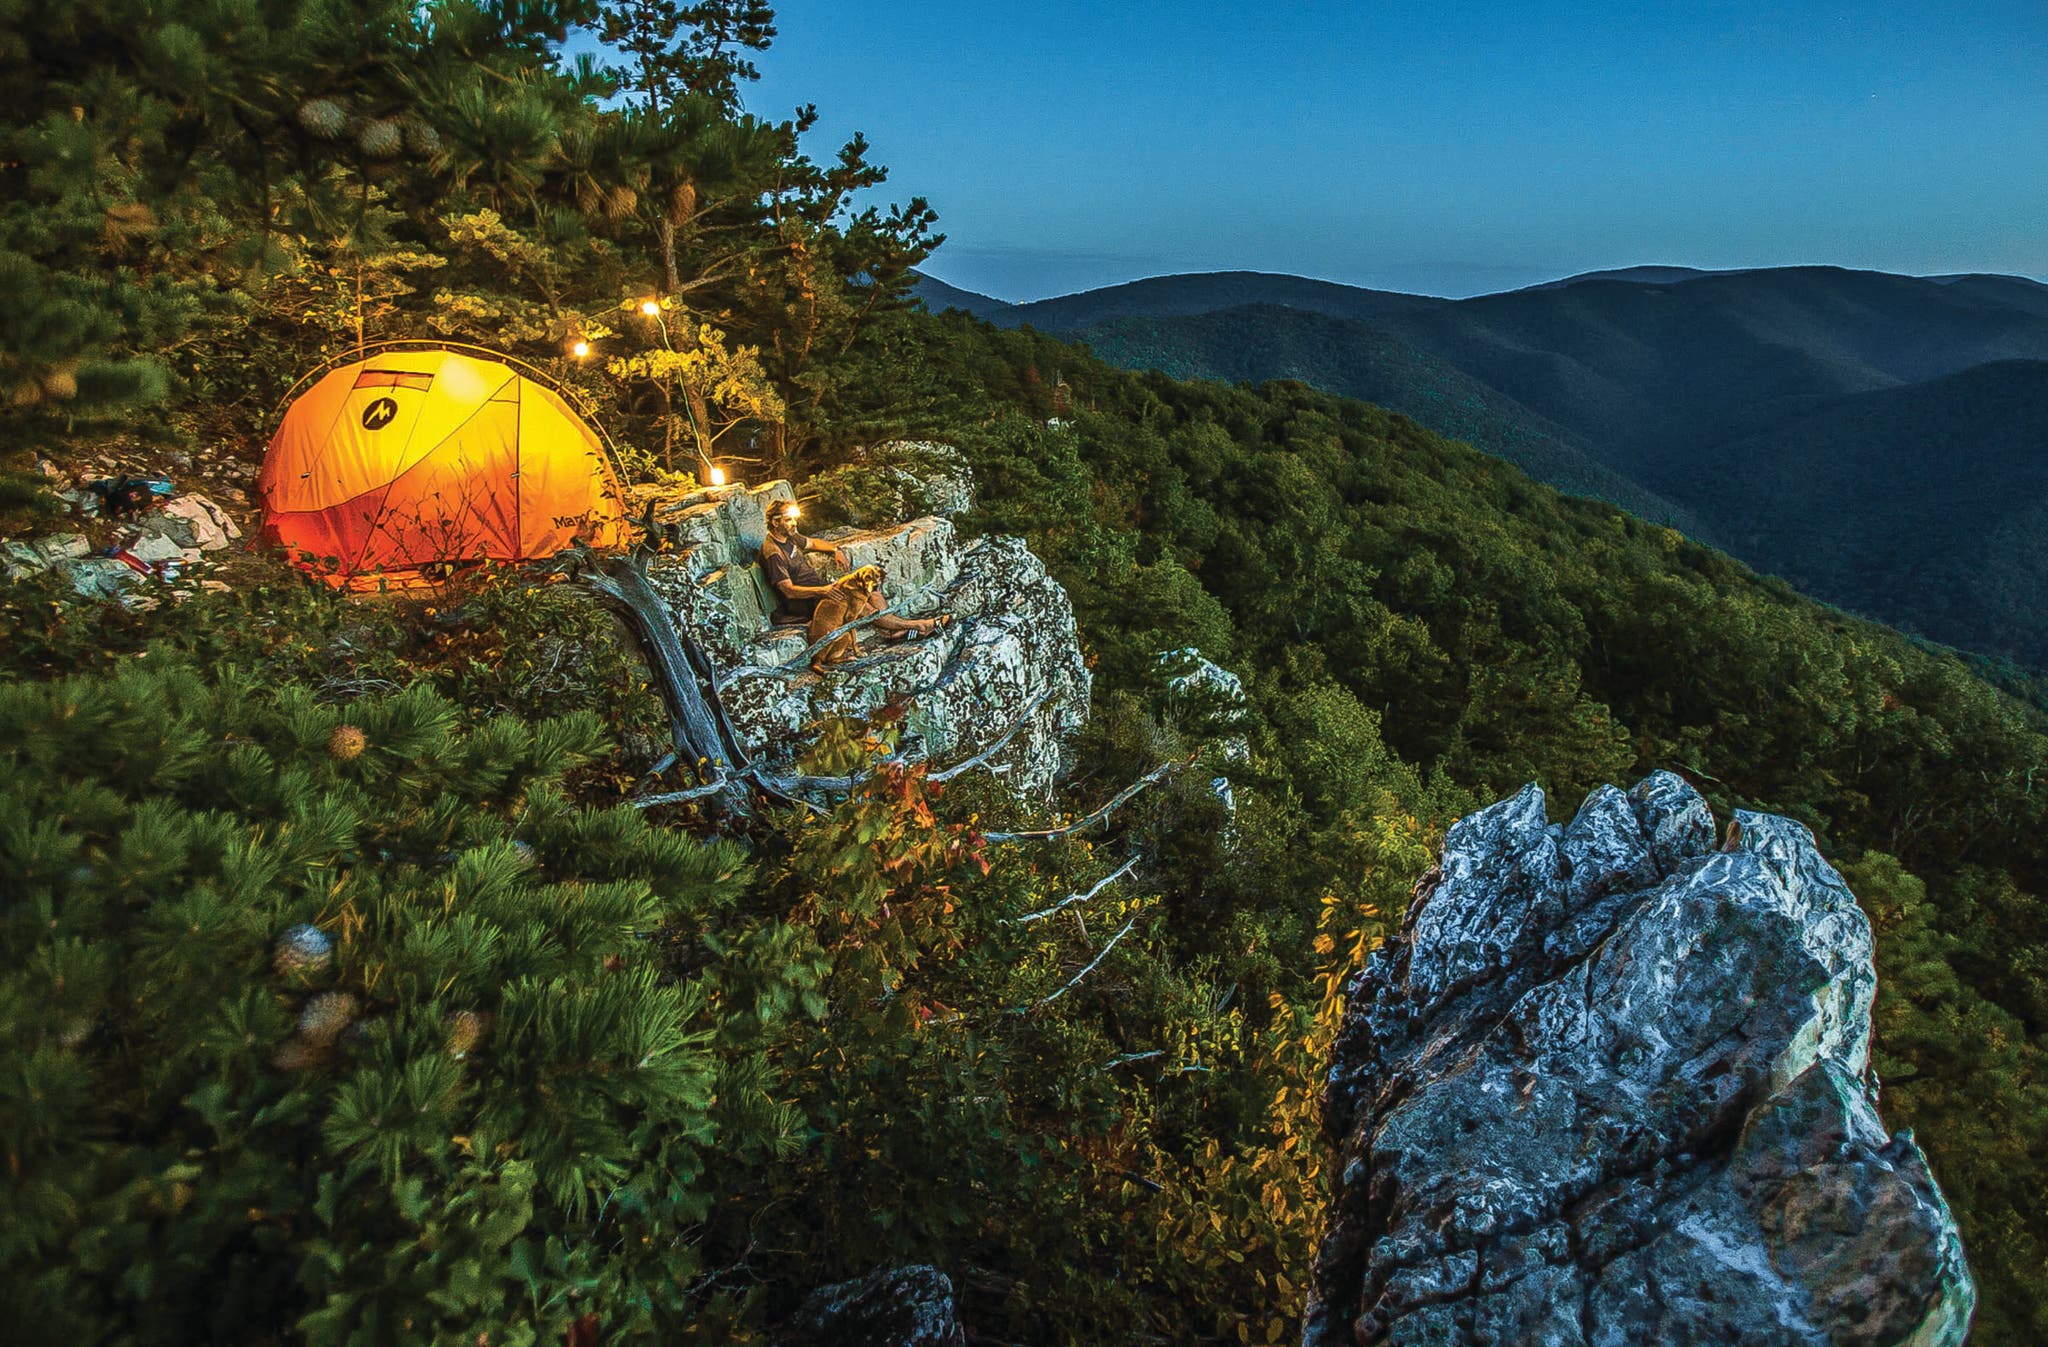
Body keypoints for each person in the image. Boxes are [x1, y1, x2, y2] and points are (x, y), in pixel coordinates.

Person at [759, 498, 947, 640]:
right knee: (861, 604)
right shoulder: (773, 552)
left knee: (872, 592)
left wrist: (835, 550)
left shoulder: (789, 536)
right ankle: (921, 625)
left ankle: (892, 630)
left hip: (820, 589)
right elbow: (788, 590)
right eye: (788, 520)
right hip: (806, 602)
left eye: (794, 519)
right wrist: (823, 591)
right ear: (775, 522)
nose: (794, 523)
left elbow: (813, 543)